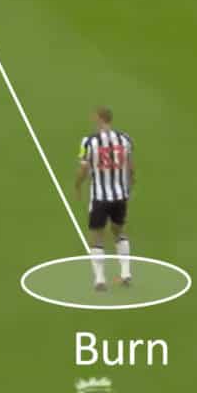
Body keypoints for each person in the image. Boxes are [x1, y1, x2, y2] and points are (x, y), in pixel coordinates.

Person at [69, 109, 135, 292]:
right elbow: (130, 167)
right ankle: (126, 273)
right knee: (119, 232)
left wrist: (77, 186)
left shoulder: (88, 142)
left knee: (97, 236)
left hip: (100, 197)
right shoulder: (125, 139)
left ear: (99, 119)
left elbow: (83, 168)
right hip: (120, 196)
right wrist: (129, 187)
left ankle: (99, 279)